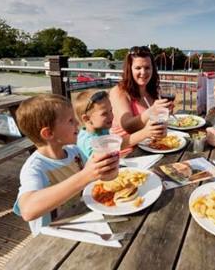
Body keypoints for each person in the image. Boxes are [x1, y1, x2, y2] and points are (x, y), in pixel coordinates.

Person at [13, 94, 119, 235]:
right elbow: (28, 210)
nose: (78, 124)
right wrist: (85, 175)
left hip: (85, 222)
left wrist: (105, 168)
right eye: (71, 121)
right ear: (49, 133)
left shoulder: (74, 151)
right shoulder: (35, 168)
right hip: (53, 237)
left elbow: (96, 180)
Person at [73, 89, 166, 160]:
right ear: (87, 118)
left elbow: (117, 144)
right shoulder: (87, 142)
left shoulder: (102, 129)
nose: (111, 116)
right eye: (104, 113)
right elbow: (111, 149)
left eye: (111, 110)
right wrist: (145, 133)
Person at [110, 46, 173, 137]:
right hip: (126, 148)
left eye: (147, 68)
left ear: (153, 69)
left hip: (150, 143)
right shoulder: (119, 91)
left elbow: (156, 122)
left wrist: (165, 113)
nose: (143, 72)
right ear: (130, 69)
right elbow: (127, 126)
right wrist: (152, 110)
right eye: (138, 68)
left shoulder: (154, 90)